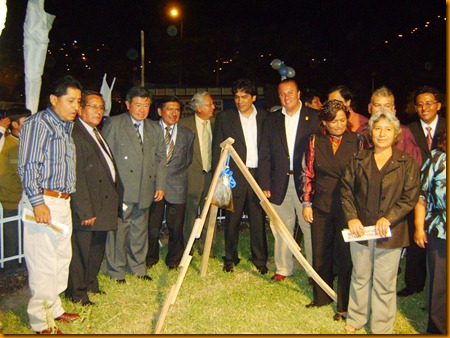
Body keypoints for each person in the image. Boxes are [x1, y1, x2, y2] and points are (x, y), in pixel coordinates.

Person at [340, 109, 419, 334]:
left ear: (396, 134)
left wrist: (389, 217)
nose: (382, 134)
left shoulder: (406, 162)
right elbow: (346, 191)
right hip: (360, 231)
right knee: (361, 276)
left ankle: (381, 327)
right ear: (370, 133)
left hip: (390, 232)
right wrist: (352, 217)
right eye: (377, 128)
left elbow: (410, 196)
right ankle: (356, 318)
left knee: (385, 282)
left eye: (387, 129)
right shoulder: (358, 159)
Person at [17, 75, 83, 334]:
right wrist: (37, 202)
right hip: (43, 201)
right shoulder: (39, 124)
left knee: (61, 258)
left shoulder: (65, 127)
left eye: (78, 101)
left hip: (61, 202)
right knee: (43, 262)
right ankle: (41, 321)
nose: (75, 106)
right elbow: (28, 165)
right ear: (54, 99)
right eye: (70, 101)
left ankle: (54, 308)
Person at [301, 100, 361, 320]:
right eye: (333, 121)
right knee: (321, 252)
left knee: (346, 255)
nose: (338, 125)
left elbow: (362, 175)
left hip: (348, 207)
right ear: (324, 121)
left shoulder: (357, 141)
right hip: (322, 204)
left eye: (342, 120)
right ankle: (321, 296)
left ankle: (344, 305)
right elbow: (308, 173)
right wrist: (307, 203)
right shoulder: (316, 140)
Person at [102, 86, 166, 283]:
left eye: (146, 105)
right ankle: (116, 271)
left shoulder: (154, 128)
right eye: (137, 104)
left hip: (145, 189)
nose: (142, 109)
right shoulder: (114, 124)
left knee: (140, 230)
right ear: (128, 105)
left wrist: (160, 185)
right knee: (119, 232)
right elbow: (105, 158)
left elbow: (160, 159)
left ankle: (138, 268)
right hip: (123, 189)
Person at [65, 91, 124, 306]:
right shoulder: (76, 134)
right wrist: (85, 210)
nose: (98, 111)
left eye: (101, 107)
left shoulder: (95, 132)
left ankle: (90, 283)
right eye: (93, 106)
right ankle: (77, 293)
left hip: (103, 204)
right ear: (80, 109)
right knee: (81, 252)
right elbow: (77, 175)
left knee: (96, 249)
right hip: (88, 206)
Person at [259, 78, 318, 282]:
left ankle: (313, 270)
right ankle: (283, 267)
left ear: (299, 94)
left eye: (290, 93)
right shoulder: (271, 120)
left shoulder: (315, 118)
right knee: (282, 227)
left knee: (309, 227)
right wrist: (265, 184)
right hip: (278, 182)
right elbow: (264, 153)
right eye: (282, 94)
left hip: (307, 183)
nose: (286, 97)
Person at [212, 78, 268, 274]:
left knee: (257, 219)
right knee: (231, 219)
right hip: (233, 175)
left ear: (253, 97)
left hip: (257, 175)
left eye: (244, 96)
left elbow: (268, 150)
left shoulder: (264, 117)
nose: (240, 101)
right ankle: (230, 257)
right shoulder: (225, 118)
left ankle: (260, 259)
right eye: (236, 97)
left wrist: (266, 179)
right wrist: (218, 177)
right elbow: (216, 149)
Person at [398, 85, 447, 297]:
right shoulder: (408, 130)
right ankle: (414, 284)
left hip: (440, 197)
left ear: (438, 105)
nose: (424, 107)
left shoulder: (446, 126)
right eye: (420, 104)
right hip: (415, 192)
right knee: (415, 239)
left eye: (429, 103)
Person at [147, 96, 194, 269]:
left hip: (177, 185)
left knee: (176, 227)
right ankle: (150, 258)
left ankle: (174, 260)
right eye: (169, 109)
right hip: (153, 186)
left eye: (177, 110)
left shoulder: (187, 134)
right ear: (160, 111)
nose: (174, 113)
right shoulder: (149, 130)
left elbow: (188, 159)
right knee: (152, 226)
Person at [414, 131, 446, 334]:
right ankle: (438, 328)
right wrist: (419, 227)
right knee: (440, 284)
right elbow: (421, 196)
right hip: (440, 229)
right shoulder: (436, 158)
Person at [178, 91, 215, 255]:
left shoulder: (217, 123)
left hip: (212, 177)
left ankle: (207, 249)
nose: (213, 107)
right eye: (209, 104)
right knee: (190, 215)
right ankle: (188, 248)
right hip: (192, 177)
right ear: (198, 107)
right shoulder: (184, 125)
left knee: (209, 213)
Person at [357, 86, 422, 165]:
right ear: (369, 108)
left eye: (387, 106)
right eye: (378, 105)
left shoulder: (404, 132)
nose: (382, 110)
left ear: (393, 110)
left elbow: (414, 164)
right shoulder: (362, 131)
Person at [0, 107, 31, 271]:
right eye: (26, 121)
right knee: (12, 239)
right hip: (13, 201)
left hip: (29, 200)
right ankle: (11, 271)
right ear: (14, 124)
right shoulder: (6, 145)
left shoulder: (29, 143)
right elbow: (4, 177)